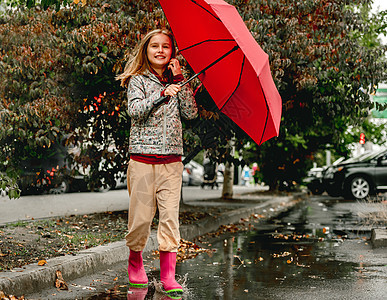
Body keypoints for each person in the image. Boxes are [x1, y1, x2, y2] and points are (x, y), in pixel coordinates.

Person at [116, 28, 198, 296]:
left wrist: (179, 80)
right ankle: (135, 264)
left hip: (171, 162)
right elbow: (135, 111)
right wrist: (162, 93)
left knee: (170, 220)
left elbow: (191, 113)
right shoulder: (137, 80)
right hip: (141, 161)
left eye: (166, 47)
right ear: (146, 50)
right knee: (140, 219)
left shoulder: (178, 81)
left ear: (172, 53)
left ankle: (168, 275)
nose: (161, 50)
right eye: (155, 46)